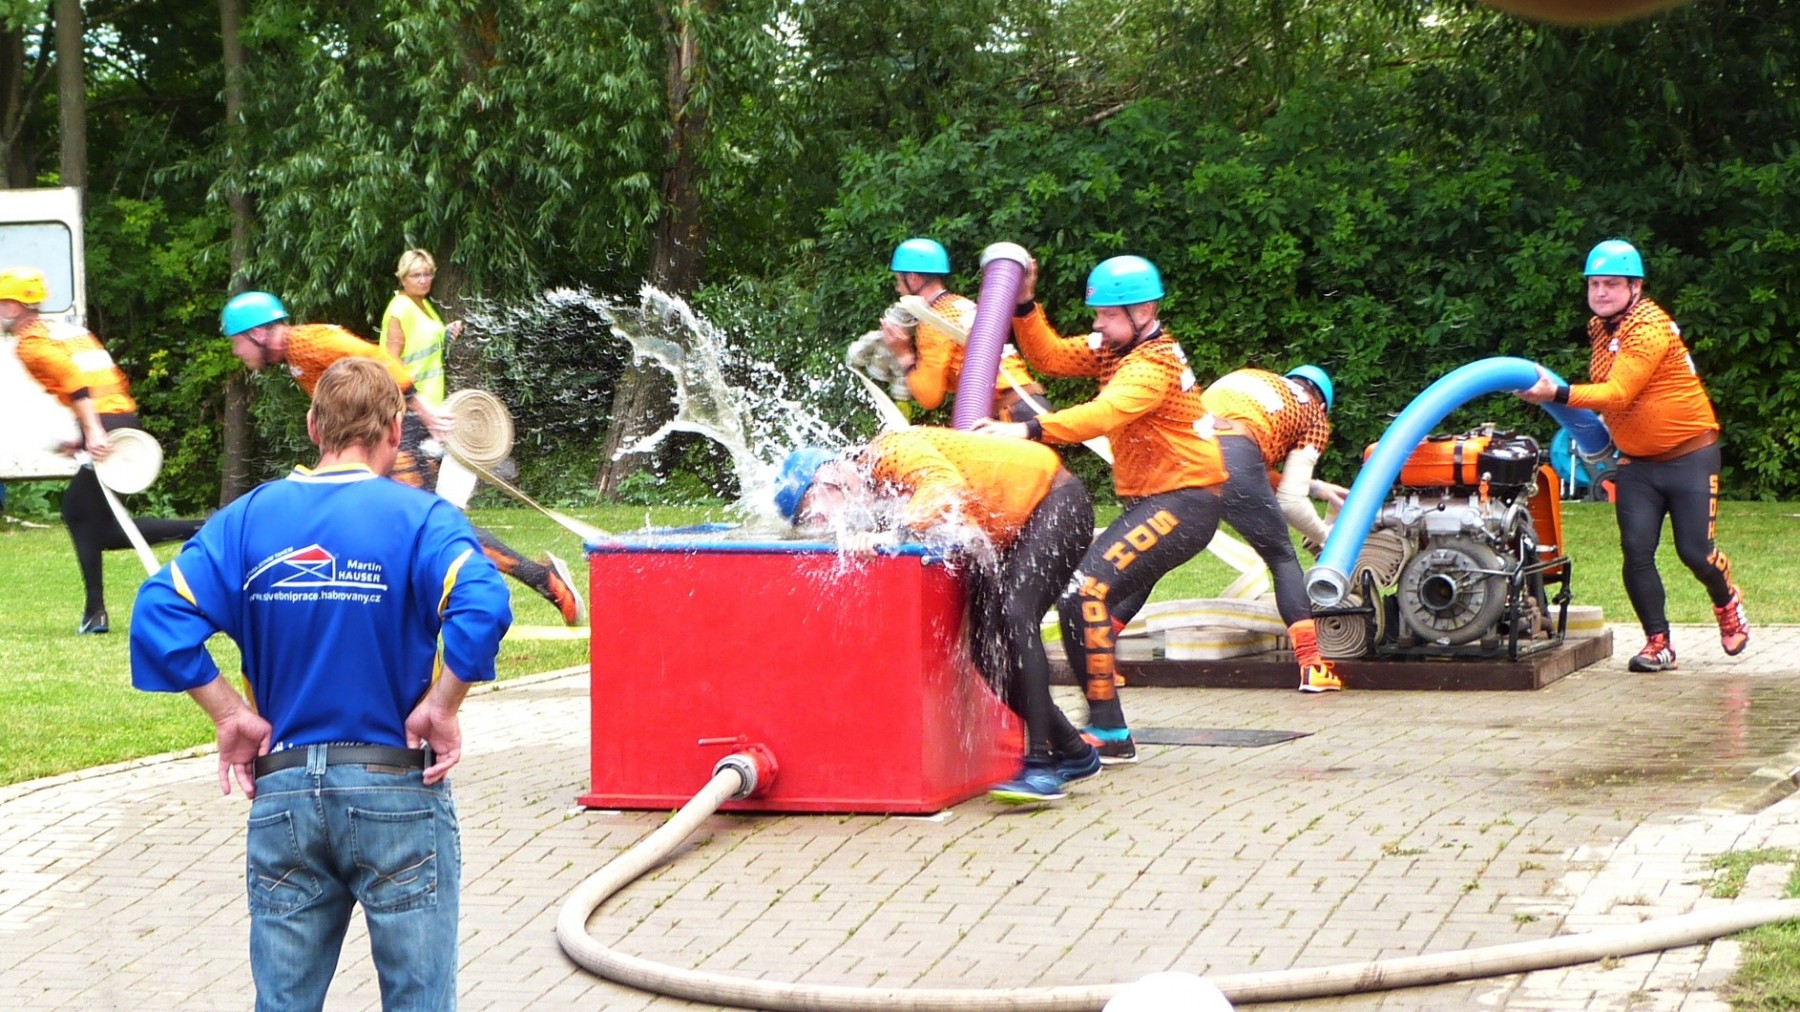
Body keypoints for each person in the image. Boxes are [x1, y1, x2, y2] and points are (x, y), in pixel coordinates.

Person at [129, 357, 513, 1011]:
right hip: (396, 785)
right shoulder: (423, 518)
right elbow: (484, 603)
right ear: (394, 431)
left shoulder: (249, 519)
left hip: (282, 794)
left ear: (314, 427)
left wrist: (229, 715)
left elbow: (157, 614)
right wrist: (443, 705)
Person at [975, 253, 1229, 764]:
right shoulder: (1116, 347)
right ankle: (1107, 726)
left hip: (1185, 501)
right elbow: (1050, 357)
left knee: (1084, 591)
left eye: (1108, 315)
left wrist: (1026, 429)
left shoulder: (1151, 366)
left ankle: (1109, 731)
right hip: (1161, 500)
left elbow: (1103, 414)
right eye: (1098, 314)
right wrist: (1024, 303)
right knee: (1083, 599)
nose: (1097, 324)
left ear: (1144, 311)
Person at [771, 427, 1102, 804]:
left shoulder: (890, 451)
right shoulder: (876, 495)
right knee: (984, 651)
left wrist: (893, 535)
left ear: (828, 479)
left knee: (1016, 615)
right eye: (808, 520)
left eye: (812, 509)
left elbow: (944, 487)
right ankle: (1073, 750)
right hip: (1010, 529)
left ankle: (1041, 764)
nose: (821, 521)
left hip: (1055, 501)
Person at [220, 289, 586, 628]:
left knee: (428, 527)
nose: (237, 352)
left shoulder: (310, 343)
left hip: (394, 433)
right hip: (379, 437)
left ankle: (543, 579)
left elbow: (380, 359)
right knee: (396, 528)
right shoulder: (295, 355)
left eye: (238, 341)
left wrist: (423, 410)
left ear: (260, 333)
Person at [1518, 239, 1749, 670]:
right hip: (1638, 463)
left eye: (1611, 284)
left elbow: (1619, 392)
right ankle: (1658, 643)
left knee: (1695, 552)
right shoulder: (1601, 327)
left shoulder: (1647, 326)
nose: (1600, 292)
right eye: (1594, 284)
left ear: (1635, 287)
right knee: (1637, 550)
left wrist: (1557, 393)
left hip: (1689, 455)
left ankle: (1727, 601)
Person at [0, 266, 205, 634]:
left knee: (80, 513)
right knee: (96, 524)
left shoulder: (31, 344)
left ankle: (200, 528)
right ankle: (96, 610)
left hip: (106, 424)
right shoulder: (68, 331)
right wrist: (86, 433)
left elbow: (75, 381)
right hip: (121, 418)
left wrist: (94, 429)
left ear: (14, 307)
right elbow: (106, 379)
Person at [1200, 365, 1349, 692]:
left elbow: (1237, 454)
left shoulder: (1251, 378)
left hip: (1180, 457)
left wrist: (1317, 488)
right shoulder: (1314, 414)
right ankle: (1312, 666)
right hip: (1234, 458)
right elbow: (1289, 502)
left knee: (1155, 556)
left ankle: (1100, 659)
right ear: (1323, 402)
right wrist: (1328, 541)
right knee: (1282, 558)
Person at [880, 238, 1053, 422]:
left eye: (898, 280)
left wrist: (904, 356)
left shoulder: (934, 322)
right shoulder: (960, 305)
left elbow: (929, 397)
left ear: (913, 277)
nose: (898, 288)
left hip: (1011, 413)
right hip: (1031, 404)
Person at [380, 248, 463, 407]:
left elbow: (422, 343)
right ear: (403, 279)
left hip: (431, 402)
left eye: (427, 274)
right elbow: (391, 361)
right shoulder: (400, 309)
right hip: (411, 406)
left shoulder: (423, 303)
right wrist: (412, 400)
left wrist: (445, 334)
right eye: (416, 275)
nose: (423, 280)